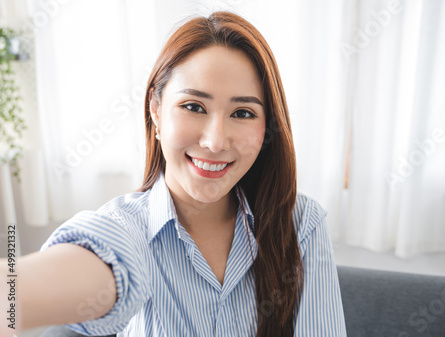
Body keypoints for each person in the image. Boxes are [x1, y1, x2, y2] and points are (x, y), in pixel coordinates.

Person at [0, 11, 346, 337]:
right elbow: (22, 291)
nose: (214, 141)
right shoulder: (126, 231)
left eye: (242, 113)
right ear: (156, 110)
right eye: (194, 107)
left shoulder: (302, 224)